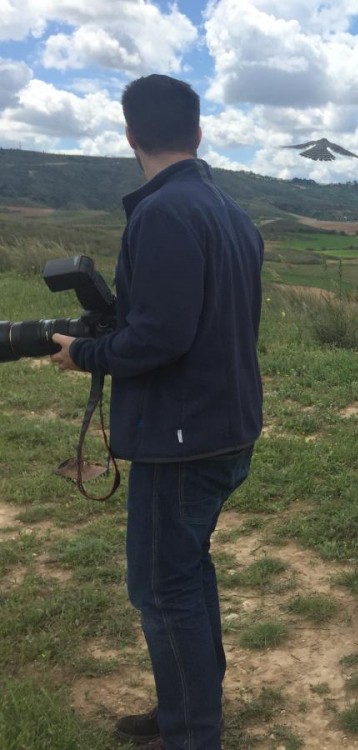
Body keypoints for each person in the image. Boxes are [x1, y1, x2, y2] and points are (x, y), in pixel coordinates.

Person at [50, 74, 264, 749]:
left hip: (182, 436)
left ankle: (191, 732)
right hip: (219, 425)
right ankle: (189, 710)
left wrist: (84, 355)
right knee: (186, 573)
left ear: (129, 135)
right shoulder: (229, 211)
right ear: (197, 132)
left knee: (163, 589)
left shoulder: (163, 212)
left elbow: (161, 336)